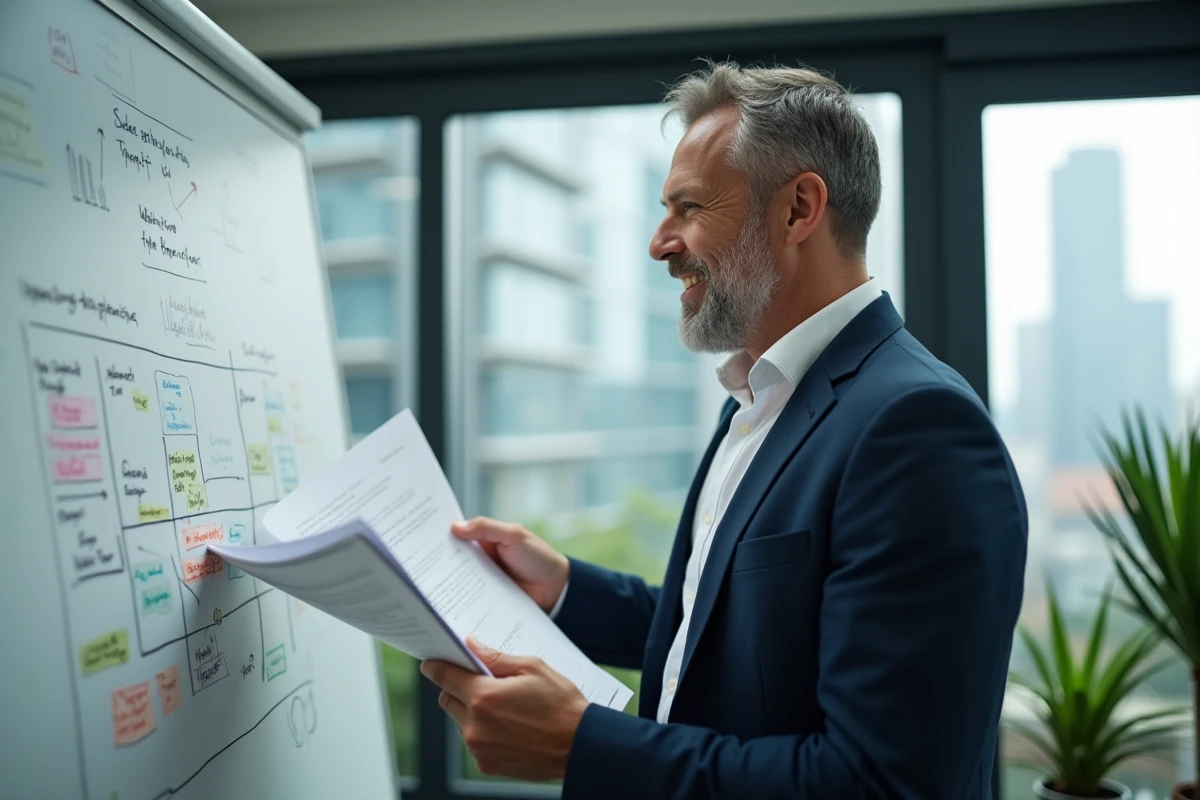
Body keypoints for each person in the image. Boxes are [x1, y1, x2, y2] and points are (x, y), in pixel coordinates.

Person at [420, 61, 1028, 799]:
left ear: (800, 209)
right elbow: (731, 632)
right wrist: (565, 591)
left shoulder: (917, 429)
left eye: (688, 207)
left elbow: (881, 783)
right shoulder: (757, 395)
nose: (659, 242)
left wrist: (583, 744)